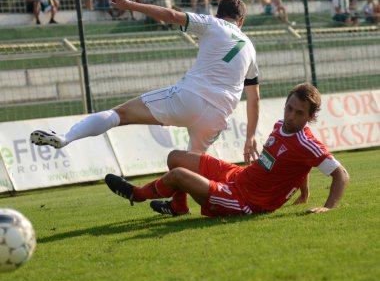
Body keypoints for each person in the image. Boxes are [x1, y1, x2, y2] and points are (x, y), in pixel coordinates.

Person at [30, 0, 260, 163]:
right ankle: (178, 204)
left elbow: (171, 15)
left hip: (191, 97)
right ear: (241, 21)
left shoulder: (213, 23)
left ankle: (66, 137)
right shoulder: (250, 47)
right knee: (191, 162)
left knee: (119, 114)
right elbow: (254, 98)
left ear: (218, 14)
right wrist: (250, 137)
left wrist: (131, 5)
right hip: (219, 115)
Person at [105, 83, 349, 217]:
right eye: (289, 108)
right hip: (238, 176)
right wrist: (303, 191)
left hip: (244, 201)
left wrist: (328, 207)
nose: (291, 116)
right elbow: (295, 165)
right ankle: (179, 207)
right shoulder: (280, 126)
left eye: (299, 113)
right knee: (175, 158)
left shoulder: (308, 143)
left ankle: (136, 194)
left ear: (311, 116)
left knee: (178, 175)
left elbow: (341, 174)